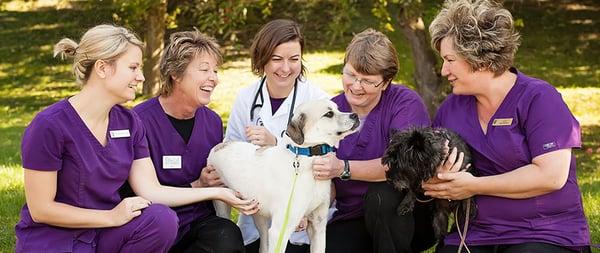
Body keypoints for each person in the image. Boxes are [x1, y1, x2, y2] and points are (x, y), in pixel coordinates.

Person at [15, 24, 257, 253]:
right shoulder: (49, 125)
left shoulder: (129, 123)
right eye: (133, 68)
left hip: (104, 234)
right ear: (102, 68)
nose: (141, 77)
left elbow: (151, 191)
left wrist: (216, 193)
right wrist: (109, 217)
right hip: (56, 239)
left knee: (161, 220)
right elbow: (41, 209)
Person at [422, 1, 592, 252]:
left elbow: (551, 176)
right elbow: (433, 174)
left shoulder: (539, 98)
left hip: (545, 232)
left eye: (450, 60)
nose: (444, 69)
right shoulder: (451, 108)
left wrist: (473, 186)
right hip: (476, 234)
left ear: (480, 58)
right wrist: (437, 181)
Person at [311, 28, 436, 253]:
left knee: (381, 196)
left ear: (386, 82)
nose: (356, 86)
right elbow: (324, 178)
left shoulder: (405, 104)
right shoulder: (331, 110)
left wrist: (343, 168)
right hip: (353, 215)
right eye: (350, 74)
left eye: (368, 81)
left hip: (406, 213)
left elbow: (401, 166)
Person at [130, 30, 252, 252]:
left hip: (199, 222)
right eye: (204, 69)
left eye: (215, 71)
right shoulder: (139, 120)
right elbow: (136, 192)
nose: (213, 78)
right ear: (176, 74)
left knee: (227, 237)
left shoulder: (212, 121)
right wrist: (198, 184)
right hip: (157, 226)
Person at [225, 19, 329, 253]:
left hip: (302, 223)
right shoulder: (246, 99)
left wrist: (276, 144)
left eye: (294, 59)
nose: (285, 68)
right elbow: (232, 150)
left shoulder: (318, 102)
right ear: (262, 59)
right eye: (277, 59)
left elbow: (324, 162)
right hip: (257, 217)